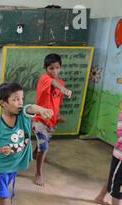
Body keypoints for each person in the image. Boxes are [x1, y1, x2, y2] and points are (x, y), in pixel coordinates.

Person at [33, 53, 72, 186]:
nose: (54, 71)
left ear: (60, 68)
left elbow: (57, 103)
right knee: (44, 147)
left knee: (42, 145)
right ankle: (38, 173)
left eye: (57, 68)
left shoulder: (61, 83)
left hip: (52, 122)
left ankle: (35, 154)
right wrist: (64, 89)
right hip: (39, 120)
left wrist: (58, 116)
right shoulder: (44, 79)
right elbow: (54, 83)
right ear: (46, 69)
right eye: (51, 68)